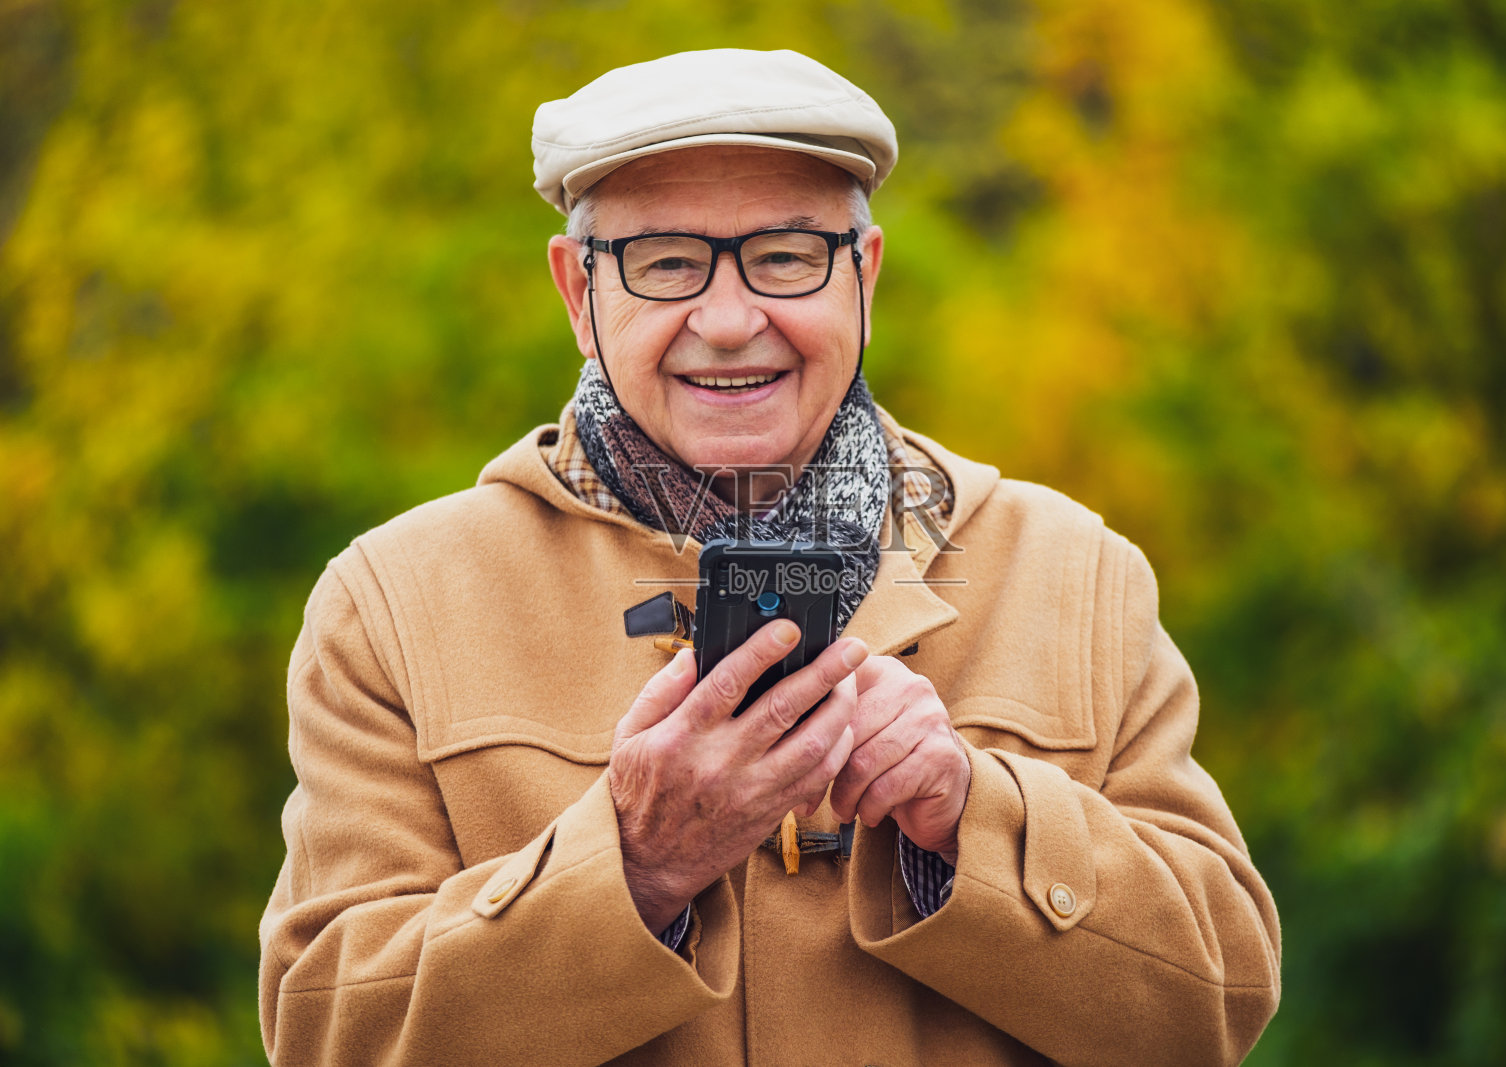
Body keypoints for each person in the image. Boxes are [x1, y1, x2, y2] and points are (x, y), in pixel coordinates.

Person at [259, 48, 1281, 1067]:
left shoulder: (1074, 575)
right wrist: (633, 864)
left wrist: (973, 815)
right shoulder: (391, 604)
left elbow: (1214, 1004)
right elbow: (326, 1033)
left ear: (863, 273)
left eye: (786, 255)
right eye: (666, 261)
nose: (731, 320)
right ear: (578, 291)